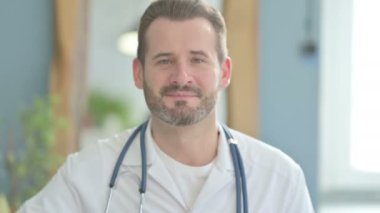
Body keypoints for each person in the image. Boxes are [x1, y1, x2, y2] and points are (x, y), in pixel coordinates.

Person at [18, 0, 314, 212]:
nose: (181, 77)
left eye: (197, 59)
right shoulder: (88, 174)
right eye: (164, 60)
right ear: (138, 72)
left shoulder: (280, 180)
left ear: (224, 72)